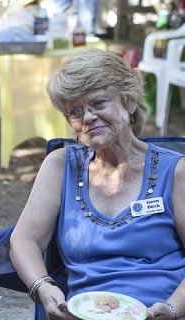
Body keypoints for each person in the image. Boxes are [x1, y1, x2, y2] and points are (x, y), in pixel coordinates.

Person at [10, 48, 185, 320]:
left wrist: (173, 309)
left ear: (128, 101)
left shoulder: (175, 172)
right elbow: (24, 239)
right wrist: (43, 287)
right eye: (75, 111)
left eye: (99, 103)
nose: (88, 117)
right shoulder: (61, 166)